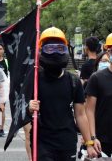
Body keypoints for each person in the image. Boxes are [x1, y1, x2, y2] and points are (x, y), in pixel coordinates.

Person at [28, 27, 97, 160]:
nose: (55, 52)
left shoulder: (73, 81)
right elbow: (20, 108)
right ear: (42, 50)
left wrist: (89, 143)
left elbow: (81, 114)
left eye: (60, 49)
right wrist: (29, 107)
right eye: (49, 48)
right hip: (41, 140)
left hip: (67, 140)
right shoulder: (34, 80)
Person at [85, 33, 112, 157]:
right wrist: (92, 138)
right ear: (108, 50)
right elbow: (89, 110)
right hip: (102, 141)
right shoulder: (97, 78)